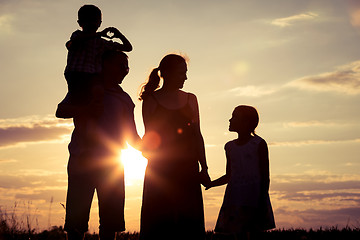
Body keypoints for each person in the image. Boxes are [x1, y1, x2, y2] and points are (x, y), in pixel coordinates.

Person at [56, 50, 140, 240]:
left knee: (110, 222)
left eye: (126, 67)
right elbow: (61, 110)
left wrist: (156, 150)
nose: (125, 70)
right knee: (76, 223)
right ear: (104, 65)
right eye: (121, 65)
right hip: (82, 160)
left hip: (113, 164)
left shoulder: (125, 99)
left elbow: (133, 138)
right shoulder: (84, 90)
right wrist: (86, 109)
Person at [138, 54, 210, 240]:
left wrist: (205, 167)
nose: (185, 77)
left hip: (188, 170)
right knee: (160, 222)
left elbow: (197, 135)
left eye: (186, 73)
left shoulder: (191, 99)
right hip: (160, 171)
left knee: (188, 224)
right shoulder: (151, 100)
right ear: (167, 73)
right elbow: (149, 138)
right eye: (181, 73)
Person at [206, 105, 275, 240]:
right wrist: (212, 184)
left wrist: (262, 198)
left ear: (246, 122)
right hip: (234, 196)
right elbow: (229, 175)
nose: (230, 120)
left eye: (234, 117)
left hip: (253, 196)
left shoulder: (258, 144)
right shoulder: (229, 147)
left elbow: (265, 175)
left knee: (254, 232)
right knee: (236, 234)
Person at [64, 4, 132, 106]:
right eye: (88, 20)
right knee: (79, 96)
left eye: (95, 20)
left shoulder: (102, 43)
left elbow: (128, 48)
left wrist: (119, 35)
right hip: (76, 74)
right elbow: (74, 42)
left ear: (100, 23)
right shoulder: (77, 35)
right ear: (80, 23)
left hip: (92, 75)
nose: (92, 23)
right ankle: (79, 107)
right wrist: (99, 34)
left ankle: (95, 109)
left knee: (98, 91)